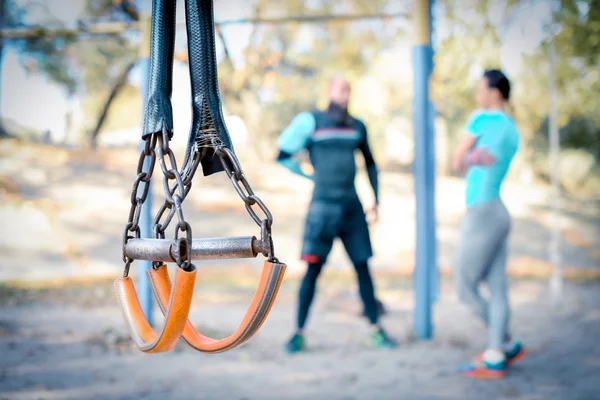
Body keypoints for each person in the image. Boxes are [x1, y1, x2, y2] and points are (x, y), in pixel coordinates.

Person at [276, 76, 398, 353]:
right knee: (312, 271)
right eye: (340, 89)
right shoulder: (312, 122)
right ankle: (298, 333)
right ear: (329, 91)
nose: (345, 95)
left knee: (363, 268)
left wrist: (376, 200)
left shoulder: (357, 126)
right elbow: (283, 154)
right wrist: (308, 175)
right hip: (321, 210)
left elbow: (370, 164)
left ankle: (376, 330)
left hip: (352, 210)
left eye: (348, 90)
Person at [451, 69, 526, 378]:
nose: (478, 95)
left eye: (481, 89)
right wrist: (476, 157)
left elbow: (456, 161)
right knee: (497, 288)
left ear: (495, 92)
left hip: (482, 211)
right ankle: (498, 350)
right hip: (498, 212)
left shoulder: (481, 119)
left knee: (464, 285)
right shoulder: (512, 128)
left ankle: (502, 341)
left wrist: (469, 158)